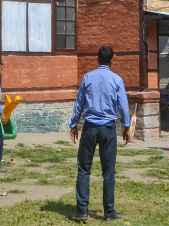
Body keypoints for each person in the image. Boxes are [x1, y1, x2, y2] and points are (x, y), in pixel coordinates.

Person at [68, 45, 130, 223]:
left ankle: (82, 211)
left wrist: (73, 125)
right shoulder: (117, 80)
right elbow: (123, 106)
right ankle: (109, 212)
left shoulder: (88, 77)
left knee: (84, 169)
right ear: (112, 59)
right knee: (108, 171)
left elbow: (79, 104)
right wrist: (126, 127)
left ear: (98, 58)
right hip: (108, 129)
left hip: (90, 127)